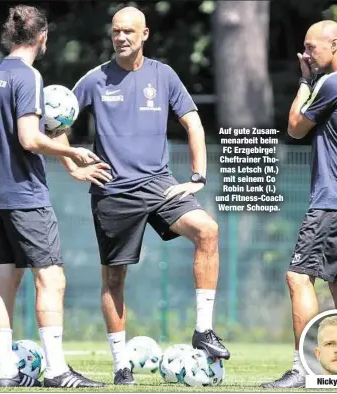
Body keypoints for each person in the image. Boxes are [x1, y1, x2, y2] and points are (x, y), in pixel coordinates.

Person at [70, 6, 230, 385]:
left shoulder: (164, 75)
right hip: (113, 191)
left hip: (159, 185)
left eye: (129, 31)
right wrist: (73, 165)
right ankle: (120, 365)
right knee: (114, 279)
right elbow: (56, 119)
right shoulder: (94, 80)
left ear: (145, 35)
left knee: (207, 230)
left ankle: (203, 329)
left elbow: (192, 122)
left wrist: (198, 176)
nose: (121, 37)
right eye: (115, 32)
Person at [0, 5, 111, 388]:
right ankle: (56, 371)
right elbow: (30, 139)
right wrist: (72, 151)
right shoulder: (28, 76)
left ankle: (5, 373)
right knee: (51, 279)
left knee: (4, 279)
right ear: (42, 37)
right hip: (25, 195)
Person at [262, 20, 337, 388]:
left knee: (298, 277)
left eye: (312, 48)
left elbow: (295, 127)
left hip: (332, 200)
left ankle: (302, 368)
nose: (307, 55)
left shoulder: (333, 82)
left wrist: (304, 80)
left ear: (335, 44)